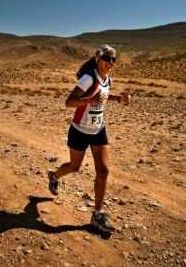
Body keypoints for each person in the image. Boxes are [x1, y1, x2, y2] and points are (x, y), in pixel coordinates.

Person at [48, 44, 131, 232]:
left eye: (113, 59)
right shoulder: (88, 78)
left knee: (103, 171)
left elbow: (104, 96)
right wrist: (89, 101)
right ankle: (54, 175)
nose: (110, 62)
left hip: (98, 129)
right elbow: (69, 102)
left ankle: (98, 214)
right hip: (79, 130)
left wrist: (119, 99)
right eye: (107, 58)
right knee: (74, 167)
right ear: (98, 59)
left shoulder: (107, 79)